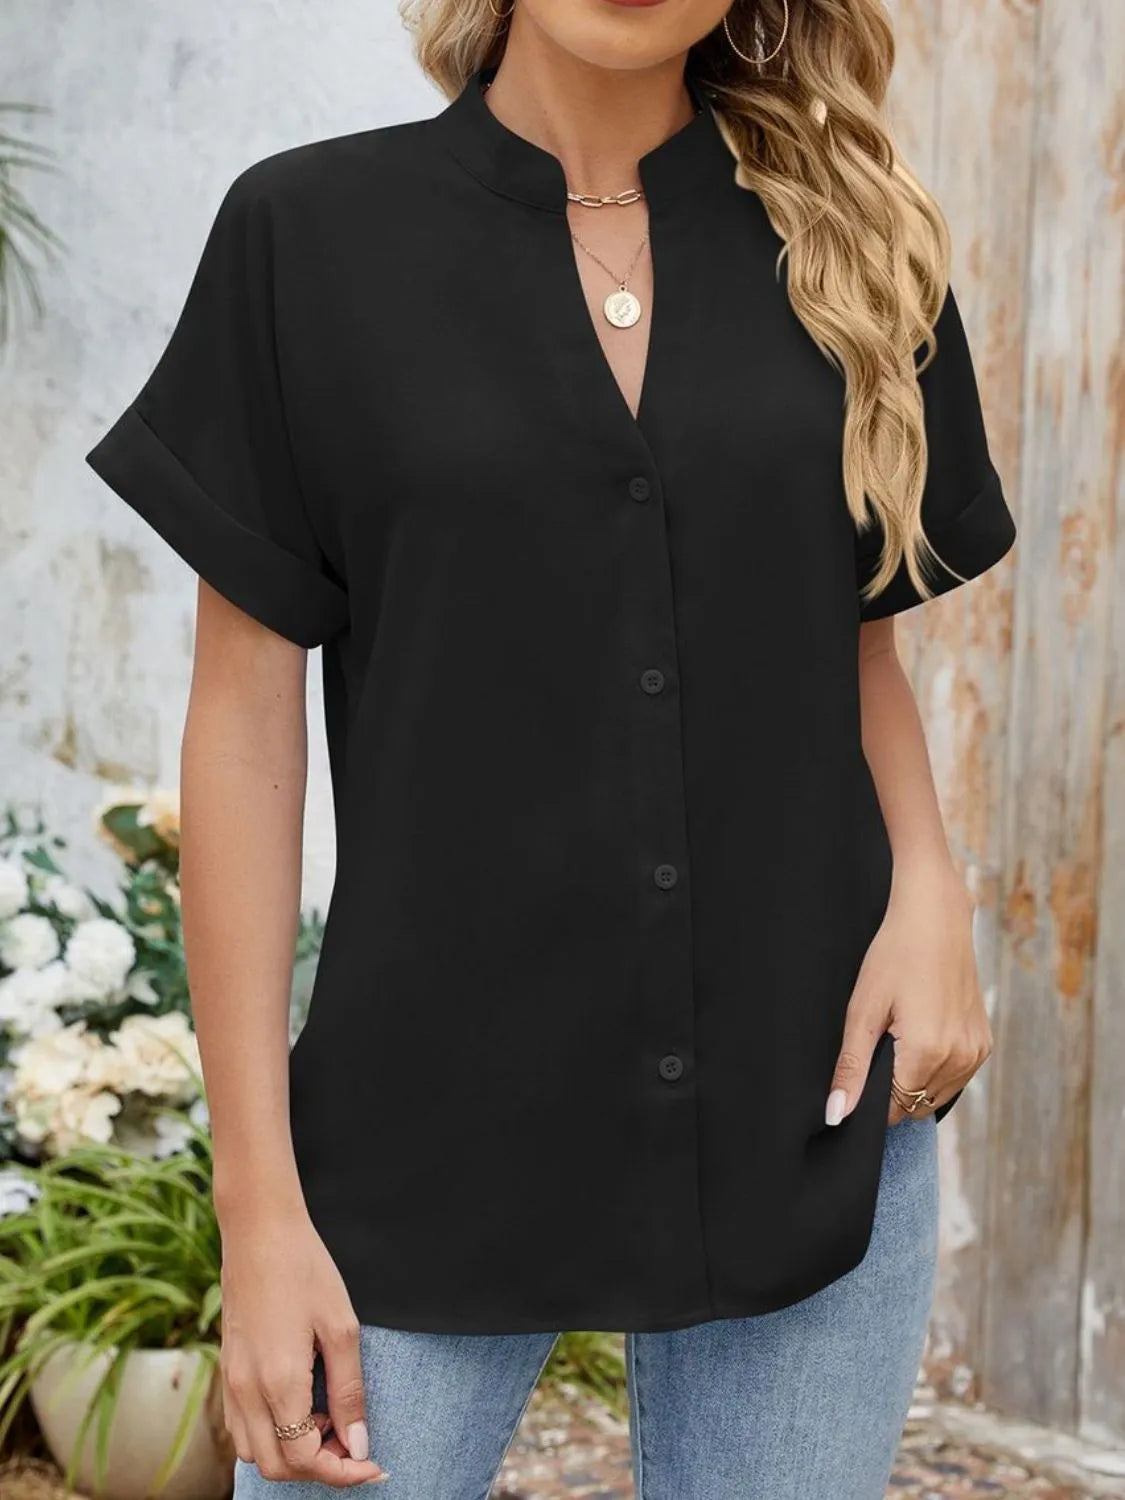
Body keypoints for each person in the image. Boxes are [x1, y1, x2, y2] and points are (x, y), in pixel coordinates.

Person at [85, 0, 1017, 1494]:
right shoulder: (308, 239)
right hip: (425, 1130)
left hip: (811, 1096)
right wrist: (258, 1212)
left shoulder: (853, 244)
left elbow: (850, 642)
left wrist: (930, 887)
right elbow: (243, 728)